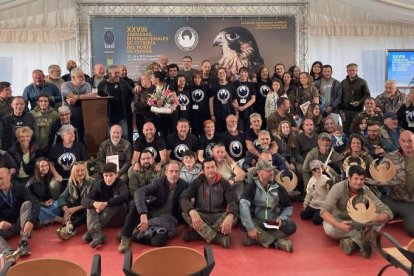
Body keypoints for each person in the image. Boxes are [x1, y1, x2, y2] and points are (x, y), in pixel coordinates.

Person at [320, 165, 392, 257]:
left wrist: (372, 221)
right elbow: (324, 211)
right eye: (356, 178)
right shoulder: (337, 188)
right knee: (330, 229)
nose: (359, 182)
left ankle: (352, 242)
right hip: (340, 220)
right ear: (349, 178)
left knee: (381, 217)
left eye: (361, 179)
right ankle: (362, 238)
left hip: (359, 221)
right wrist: (339, 225)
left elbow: (386, 211)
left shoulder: (366, 190)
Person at [118, 161, 187, 252]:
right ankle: (126, 237)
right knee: (134, 204)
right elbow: (140, 192)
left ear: (179, 173)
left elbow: (188, 200)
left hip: (168, 219)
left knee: (159, 241)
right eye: (171, 171)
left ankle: (134, 233)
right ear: (166, 172)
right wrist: (143, 214)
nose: (174, 174)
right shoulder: (159, 183)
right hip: (153, 213)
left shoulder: (183, 185)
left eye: (176, 171)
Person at [180, 157, 238, 248]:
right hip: (201, 216)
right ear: (203, 170)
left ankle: (199, 234)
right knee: (185, 212)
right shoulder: (197, 182)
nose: (211, 170)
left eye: (213, 167)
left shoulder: (224, 183)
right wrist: (192, 211)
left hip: (218, 216)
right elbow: (183, 197)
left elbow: (233, 202)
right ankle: (217, 238)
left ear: (216, 168)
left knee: (234, 217)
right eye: (207, 168)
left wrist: (230, 216)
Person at [240, 159, 296, 252]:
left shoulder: (279, 188)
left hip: (272, 223)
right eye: (268, 170)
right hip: (257, 222)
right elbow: (243, 206)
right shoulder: (251, 187)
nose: (272, 173)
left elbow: (288, 207)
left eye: (272, 170)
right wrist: (250, 228)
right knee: (242, 222)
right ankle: (276, 242)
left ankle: (256, 238)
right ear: (259, 172)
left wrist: (282, 218)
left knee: (291, 226)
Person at [82, 162, 129, 248]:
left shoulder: (120, 183)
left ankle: (93, 231)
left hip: (117, 218)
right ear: (103, 176)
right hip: (104, 217)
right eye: (106, 176)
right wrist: (95, 203)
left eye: (111, 175)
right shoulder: (99, 184)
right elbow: (84, 200)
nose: (108, 179)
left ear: (116, 174)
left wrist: (106, 203)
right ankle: (97, 234)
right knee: (91, 205)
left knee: (118, 203)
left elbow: (124, 197)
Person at [0, 167, 39, 260]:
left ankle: (23, 244)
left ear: (9, 176)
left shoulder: (20, 187)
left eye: (1, 178)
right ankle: (9, 253)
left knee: (27, 203)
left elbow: (35, 202)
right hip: (5, 228)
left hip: (21, 225)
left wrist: (31, 221)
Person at [382, 130, 414, 236]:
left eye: (410, 141)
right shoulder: (390, 157)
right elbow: (379, 174)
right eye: (403, 141)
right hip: (393, 199)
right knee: (371, 218)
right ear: (399, 142)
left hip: (411, 203)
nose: (406, 144)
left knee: (412, 230)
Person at [55, 161, 95, 240]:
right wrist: (65, 209)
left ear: (85, 171)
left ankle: (70, 227)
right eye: (77, 171)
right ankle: (67, 224)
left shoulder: (92, 182)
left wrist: (74, 209)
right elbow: (61, 198)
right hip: (75, 207)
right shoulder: (71, 182)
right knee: (65, 204)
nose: (80, 173)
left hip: (86, 208)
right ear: (73, 172)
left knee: (89, 209)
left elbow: (92, 202)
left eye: (82, 170)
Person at [49, 124, 88, 199]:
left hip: (76, 175)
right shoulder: (56, 147)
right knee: (53, 185)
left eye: (73, 133)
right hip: (60, 176)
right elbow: (51, 163)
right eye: (69, 133)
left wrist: (80, 175)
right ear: (63, 136)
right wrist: (56, 174)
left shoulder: (80, 146)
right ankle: (58, 203)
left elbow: (85, 162)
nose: (73, 135)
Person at [98, 65, 133, 140]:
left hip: (122, 114)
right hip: (109, 115)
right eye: (115, 73)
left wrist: (137, 87)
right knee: (110, 136)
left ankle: (126, 150)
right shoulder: (102, 84)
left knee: (125, 135)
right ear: (109, 74)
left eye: (118, 72)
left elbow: (131, 91)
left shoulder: (122, 81)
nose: (118, 75)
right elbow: (99, 98)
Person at [26, 158, 61, 226]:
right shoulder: (31, 183)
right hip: (37, 206)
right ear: (37, 168)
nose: (45, 168)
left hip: (46, 205)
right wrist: (43, 203)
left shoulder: (47, 177)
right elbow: (29, 201)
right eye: (42, 166)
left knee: (59, 203)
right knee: (37, 210)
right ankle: (55, 218)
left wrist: (49, 200)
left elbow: (46, 195)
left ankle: (47, 218)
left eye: (46, 165)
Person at [61, 68, 92, 140]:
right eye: (80, 76)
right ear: (73, 77)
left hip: (84, 115)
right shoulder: (65, 85)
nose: (83, 78)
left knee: (81, 137)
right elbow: (70, 96)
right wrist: (86, 96)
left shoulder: (87, 84)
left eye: (83, 75)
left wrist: (76, 98)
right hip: (68, 116)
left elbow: (89, 98)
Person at [340, 63, 371, 134]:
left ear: (357, 71)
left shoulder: (362, 82)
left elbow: (367, 95)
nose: (351, 72)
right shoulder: (343, 82)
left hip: (357, 110)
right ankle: (347, 144)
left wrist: (359, 102)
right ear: (347, 71)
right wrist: (340, 109)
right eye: (349, 70)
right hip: (345, 111)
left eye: (353, 70)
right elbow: (340, 96)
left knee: (357, 129)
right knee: (346, 129)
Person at [300, 160, 332, 225]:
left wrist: (330, 180)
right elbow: (309, 194)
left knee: (316, 221)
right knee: (303, 215)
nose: (317, 170)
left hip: (322, 206)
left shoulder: (326, 179)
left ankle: (326, 213)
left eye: (318, 168)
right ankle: (317, 214)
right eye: (314, 169)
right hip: (313, 204)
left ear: (322, 168)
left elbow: (331, 188)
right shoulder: (311, 180)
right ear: (312, 171)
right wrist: (305, 205)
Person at [209, 67, 237, 133]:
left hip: (229, 115)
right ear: (217, 75)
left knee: (229, 133)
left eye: (223, 72)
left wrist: (237, 114)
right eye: (220, 73)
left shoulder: (231, 86)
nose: (222, 74)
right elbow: (211, 101)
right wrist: (212, 115)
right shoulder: (214, 86)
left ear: (226, 74)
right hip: (218, 115)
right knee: (219, 133)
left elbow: (235, 101)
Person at [233, 66, 256, 132]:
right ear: (239, 73)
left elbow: (253, 99)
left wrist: (244, 107)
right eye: (242, 72)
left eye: (246, 72)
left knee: (248, 130)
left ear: (248, 73)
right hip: (237, 111)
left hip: (248, 110)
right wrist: (236, 107)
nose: (244, 74)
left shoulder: (251, 84)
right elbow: (232, 98)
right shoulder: (234, 84)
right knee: (239, 130)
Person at [133, 71, 156, 135]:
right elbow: (136, 104)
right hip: (141, 117)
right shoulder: (138, 90)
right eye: (141, 80)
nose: (141, 81)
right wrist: (149, 103)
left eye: (143, 79)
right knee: (142, 135)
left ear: (149, 79)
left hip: (153, 117)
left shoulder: (156, 89)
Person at [189, 71, 211, 137]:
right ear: (193, 79)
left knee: (204, 131)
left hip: (204, 113)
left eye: (199, 78)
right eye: (195, 78)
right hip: (194, 114)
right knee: (195, 131)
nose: (197, 79)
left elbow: (209, 100)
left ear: (201, 79)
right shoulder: (190, 87)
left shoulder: (206, 87)